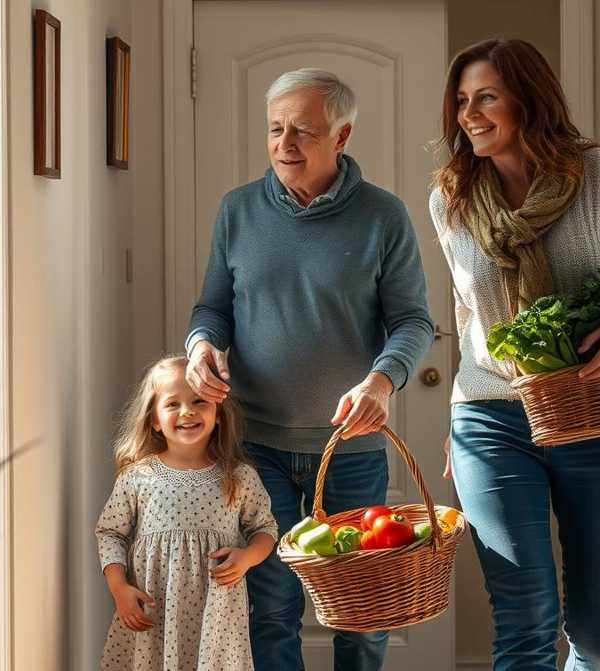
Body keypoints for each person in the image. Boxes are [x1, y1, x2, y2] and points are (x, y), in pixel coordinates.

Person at [430, 39, 600, 671]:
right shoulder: (451, 199)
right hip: (491, 419)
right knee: (525, 619)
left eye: (486, 96)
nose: (469, 114)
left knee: (599, 633)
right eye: (462, 100)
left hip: (596, 413)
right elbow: (467, 317)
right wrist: (456, 426)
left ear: (527, 98)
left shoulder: (596, 173)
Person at [184, 68, 434, 671]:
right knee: (269, 606)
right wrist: (200, 348)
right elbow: (212, 308)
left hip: (347, 448)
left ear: (342, 136)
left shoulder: (384, 216)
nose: (285, 144)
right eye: (275, 129)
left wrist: (382, 379)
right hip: (256, 446)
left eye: (303, 131)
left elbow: (414, 323)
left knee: (363, 613)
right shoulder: (237, 210)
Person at [95, 356, 279, 671]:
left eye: (198, 401)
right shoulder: (138, 476)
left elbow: (265, 528)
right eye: (172, 404)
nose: (187, 411)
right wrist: (119, 588)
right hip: (156, 608)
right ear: (153, 419)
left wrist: (248, 557)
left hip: (217, 611)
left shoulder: (239, 475)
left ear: (218, 414)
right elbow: (110, 532)